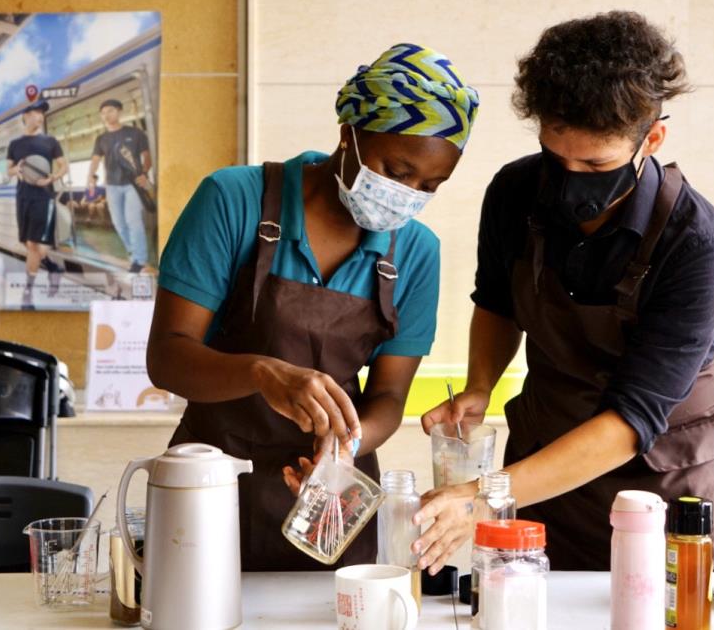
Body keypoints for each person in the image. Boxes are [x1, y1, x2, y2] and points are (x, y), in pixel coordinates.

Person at [413, 12, 714, 573]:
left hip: (663, 487)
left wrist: (483, 493)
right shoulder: (517, 190)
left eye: (595, 163)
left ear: (651, 138)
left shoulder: (696, 244)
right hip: (544, 474)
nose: (570, 179)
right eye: (556, 157)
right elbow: (495, 301)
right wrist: (480, 386)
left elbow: (632, 419)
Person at [146, 43, 480, 571]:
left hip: (333, 504)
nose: (407, 195)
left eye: (429, 186)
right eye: (397, 170)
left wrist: (344, 449)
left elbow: (390, 395)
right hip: (210, 486)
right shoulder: (234, 200)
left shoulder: (416, 252)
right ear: (349, 133)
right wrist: (262, 373)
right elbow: (166, 358)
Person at [6, 100, 68, 307]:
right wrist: (18, 169)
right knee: (28, 243)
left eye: (42, 114)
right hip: (23, 196)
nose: (39, 117)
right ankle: (52, 267)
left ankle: (28, 292)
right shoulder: (15, 144)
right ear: (25, 116)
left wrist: (52, 178)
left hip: (44, 197)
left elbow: (63, 166)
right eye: (35, 113)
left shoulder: (50, 141)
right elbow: (9, 170)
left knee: (33, 246)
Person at [86, 98, 152, 273]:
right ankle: (133, 250)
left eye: (110, 111)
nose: (106, 115)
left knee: (133, 221)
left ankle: (140, 260)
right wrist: (91, 178)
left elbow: (147, 157)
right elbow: (95, 161)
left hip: (133, 184)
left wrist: (145, 174)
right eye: (103, 113)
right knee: (119, 223)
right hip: (112, 186)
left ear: (119, 111)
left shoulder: (135, 133)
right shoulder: (101, 139)